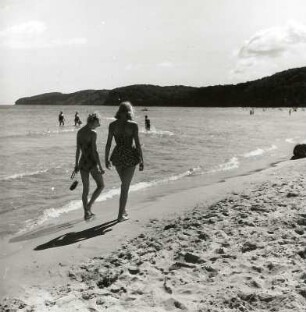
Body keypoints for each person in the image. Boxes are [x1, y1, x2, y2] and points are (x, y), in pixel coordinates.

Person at [105, 102, 144, 222]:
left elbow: (109, 143)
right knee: (125, 186)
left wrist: (106, 158)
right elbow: (137, 144)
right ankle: (120, 216)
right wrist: (142, 160)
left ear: (119, 111)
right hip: (130, 155)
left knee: (124, 185)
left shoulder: (112, 125)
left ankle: (123, 210)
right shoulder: (133, 125)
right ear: (129, 111)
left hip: (117, 155)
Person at [74, 113, 105, 221]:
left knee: (85, 190)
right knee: (101, 185)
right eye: (98, 122)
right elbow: (94, 151)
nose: (99, 125)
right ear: (93, 121)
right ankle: (88, 207)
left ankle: (86, 213)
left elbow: (78, 149)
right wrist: (100, 166)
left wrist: (76, 164)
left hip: (82, 163)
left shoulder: (79, 132)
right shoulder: (93, 133)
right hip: (91, 163)